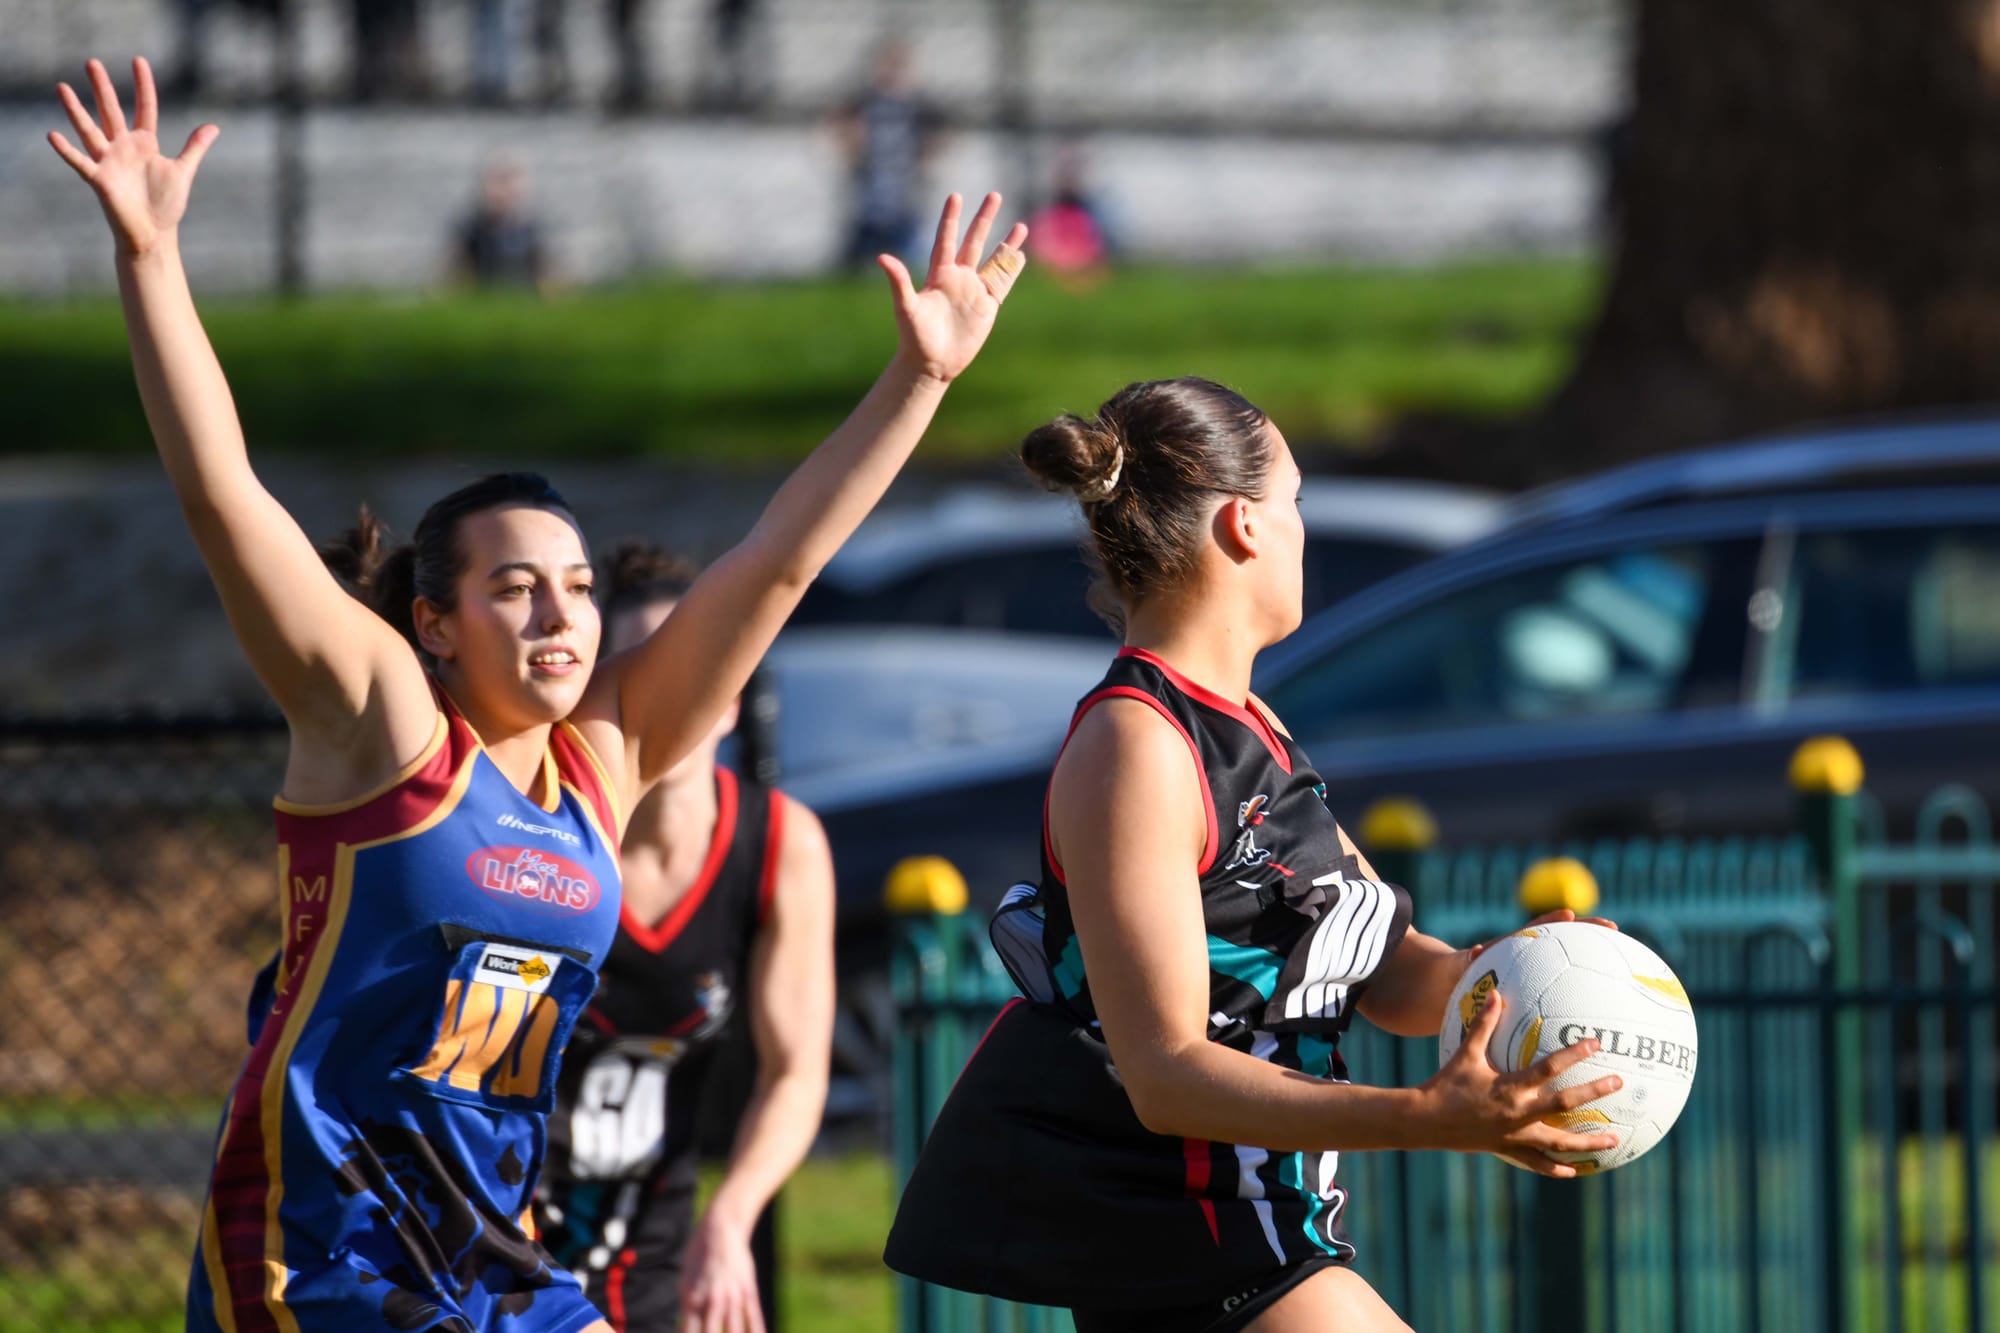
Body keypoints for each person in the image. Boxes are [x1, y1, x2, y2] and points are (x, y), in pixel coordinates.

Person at [47, 55, 1026, 1333]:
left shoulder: (601, 763)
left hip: (496, 1260)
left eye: (572, 582)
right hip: (322, 1265)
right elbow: (223, 496)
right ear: (434, 624)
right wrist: (151, 260)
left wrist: (919, 380)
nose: (561, 612)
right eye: (516, 587)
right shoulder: (379, 725)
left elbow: (777, 563)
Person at [885, 378, 1622, 1331]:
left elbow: (1385, 969)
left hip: (1271, 1244)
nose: (1303, 528)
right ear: (1243, 525)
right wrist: (1424, 1115)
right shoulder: (1136, 745)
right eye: (1297, 501)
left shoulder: (1249, 729)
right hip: (1197, 1267)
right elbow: (1166, 1074)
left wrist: (1525, 975)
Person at [535, 543, 835, 1333]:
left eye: (691, 671)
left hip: (659, 1254)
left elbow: (795, 1073)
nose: (662, 701)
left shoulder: (778, 844)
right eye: (636, 675)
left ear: (731, 699)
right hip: (505, 1239)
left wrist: (731, 1216)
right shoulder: (534, 835)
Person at [835, 41, 942, 271]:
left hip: (905, 197)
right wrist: (852, 144)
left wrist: (926, 154)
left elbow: (939, 137)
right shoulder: (864, 104)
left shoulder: (919, 107)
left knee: (912, 259)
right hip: (870, 195)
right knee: (856, 264)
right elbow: (839, 129)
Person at [456, 158, 550, 291]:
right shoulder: (474, 228)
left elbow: (544, 274)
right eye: (499, 181)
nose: (505, 190)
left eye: (510, 181)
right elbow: (461, 272)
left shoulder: (531, 229)